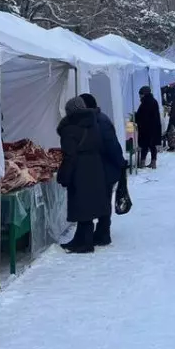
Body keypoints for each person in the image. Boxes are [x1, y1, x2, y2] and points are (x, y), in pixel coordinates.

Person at [56, 97, 108, 254]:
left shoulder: (70, 130)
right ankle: (80, 239)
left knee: (82, 205)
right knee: (88, 204)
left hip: (80, 169)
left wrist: (64, 175)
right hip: (94, 167)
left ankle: (85, 243)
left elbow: (69, 155)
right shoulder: (94, 124)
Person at [78, 93, 128, 246]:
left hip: (106, 168)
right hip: (103, 168)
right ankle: (101, 232)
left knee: (104, 201)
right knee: (102, 201)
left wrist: (120, 164)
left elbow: (112, 146)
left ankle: (103, 234)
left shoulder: (100, 121)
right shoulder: (98, 119)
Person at [134, 86, 163, 169]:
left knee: (144, 145)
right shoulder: (154, 101)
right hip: (154, 126)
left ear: (144, 94)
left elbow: (142, 115)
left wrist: (135, 116)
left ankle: (142, 162)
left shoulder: (145, 103)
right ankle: (153, 162)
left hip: (146, 127)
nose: (139, 96)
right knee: (152, 145)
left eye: (140, 94)